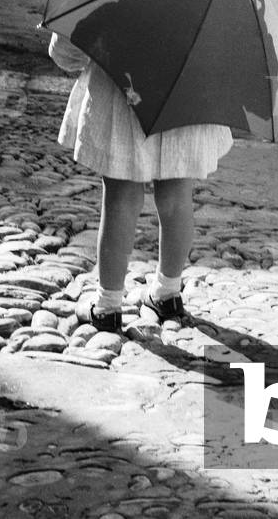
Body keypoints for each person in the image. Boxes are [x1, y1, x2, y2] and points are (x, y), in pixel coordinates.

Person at [48, 32, 233, 333]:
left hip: (122, 89)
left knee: (121, 198)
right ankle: (168, 293)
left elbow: (67, 52)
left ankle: (108, 307)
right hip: (187, 91)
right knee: (177, 196)